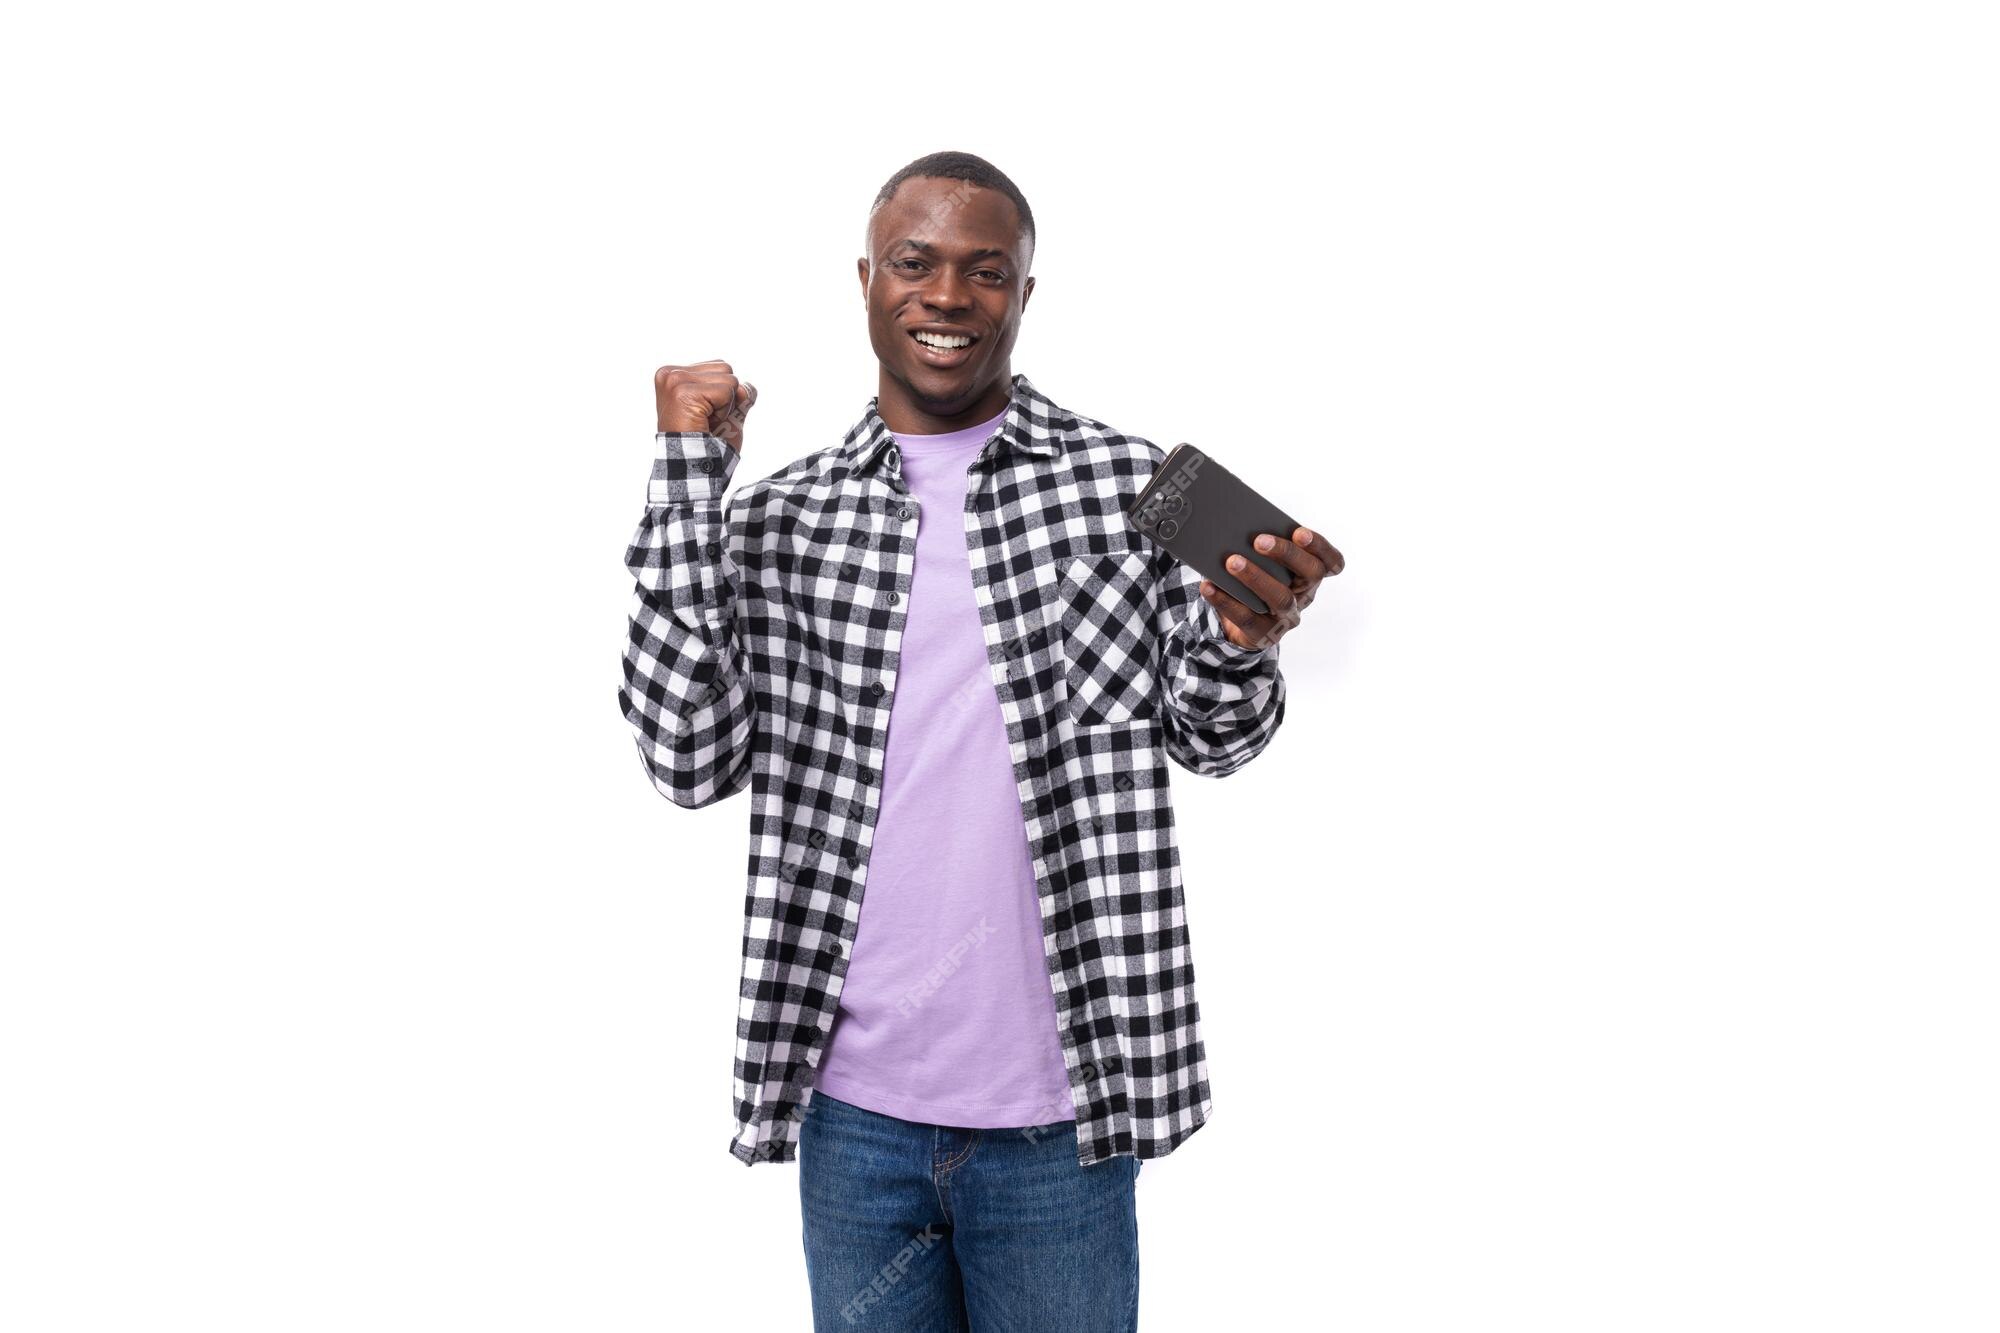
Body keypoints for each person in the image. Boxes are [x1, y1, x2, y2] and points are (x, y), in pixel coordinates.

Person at [619, 150, 1342, 1331]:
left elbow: (1215, 739)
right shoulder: (780, 518)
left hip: (1062, 1118)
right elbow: (684, 755)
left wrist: (1240, 638)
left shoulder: (1128, 489)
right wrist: (685, 479)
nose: (946, 297)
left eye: (984, 272)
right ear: (864, 279)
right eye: (914, 263)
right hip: (851, 1121)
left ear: (1023, 295)